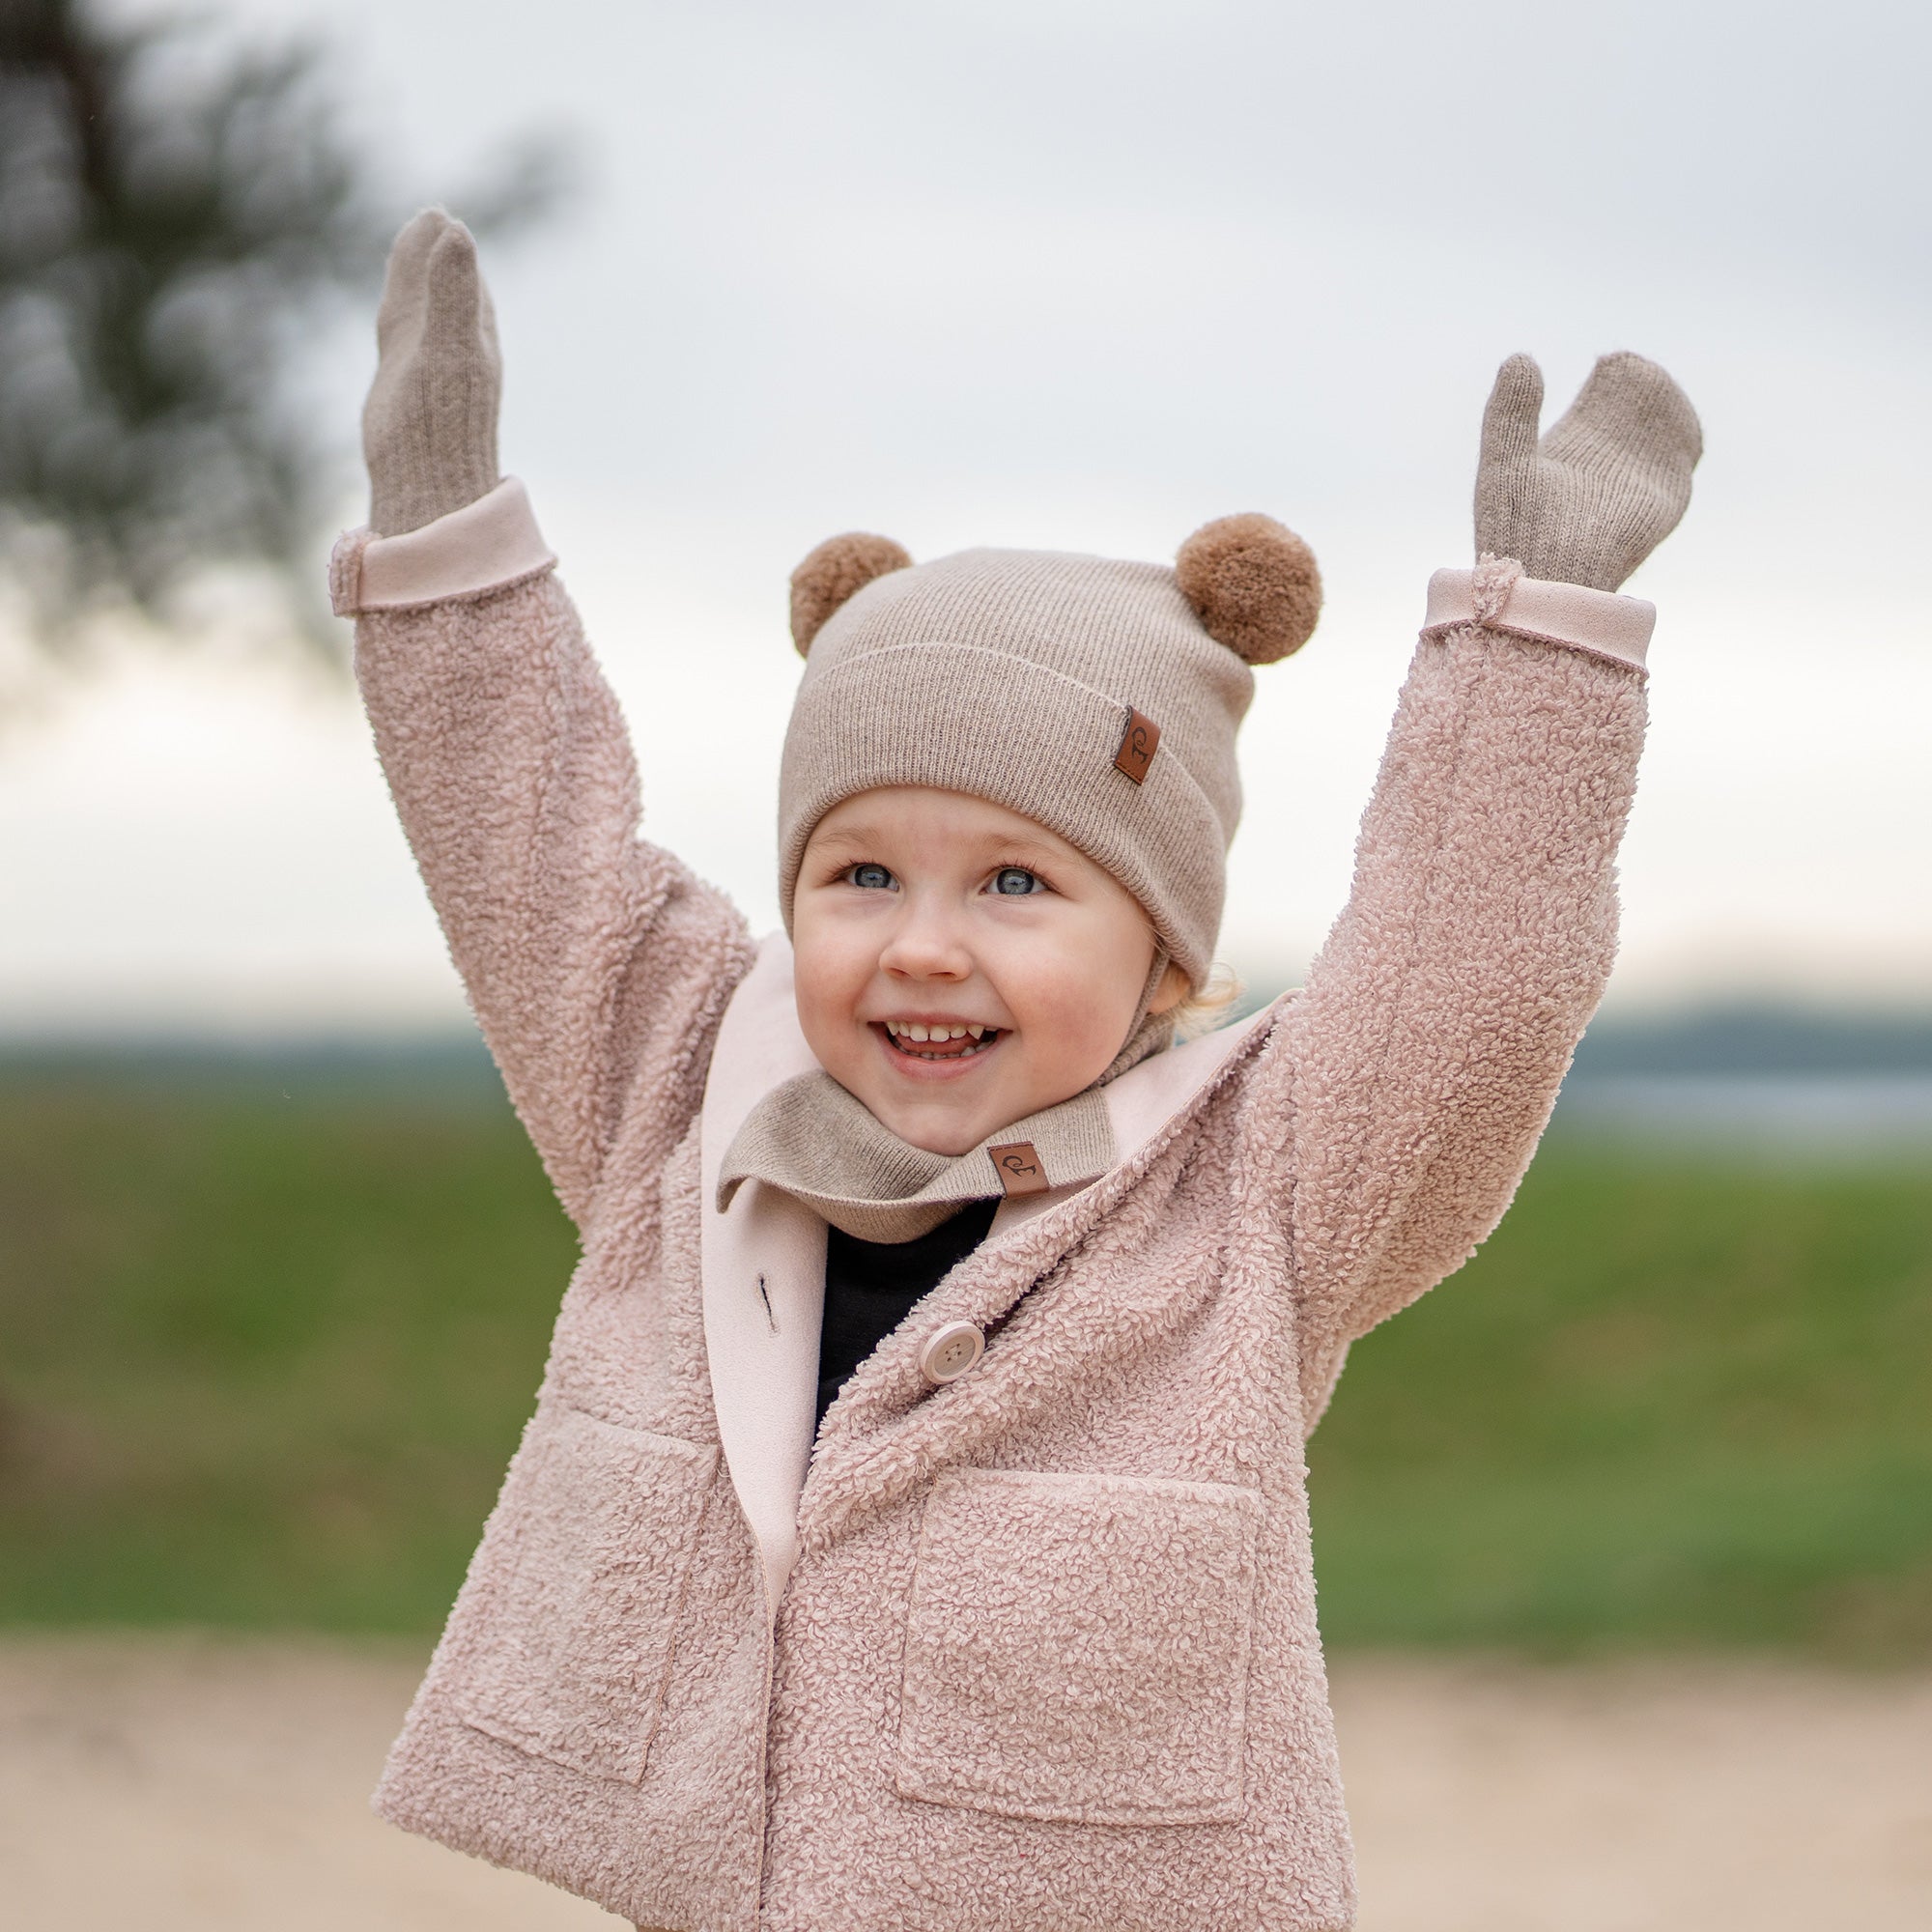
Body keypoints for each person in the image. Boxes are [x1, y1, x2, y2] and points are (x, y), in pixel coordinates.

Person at [332, 209, 1700, 1932]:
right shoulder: (687, 1087)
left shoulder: (1262, 1181)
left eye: (1016, 884)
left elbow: (1467, 978)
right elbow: (528, 853)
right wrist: (450, 547)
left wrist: (1540, 645)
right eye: (861, 875)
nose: (920, 943)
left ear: (1166, 957)